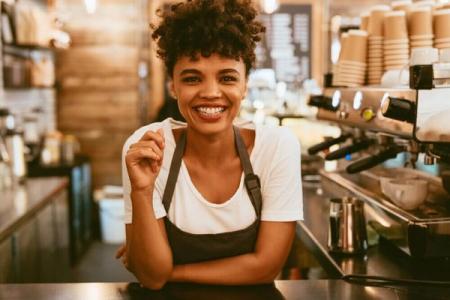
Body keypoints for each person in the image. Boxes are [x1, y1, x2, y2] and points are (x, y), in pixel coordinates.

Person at [116, 0, 303, 289]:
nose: (211, 93)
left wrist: (172, 273)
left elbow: (267, 266)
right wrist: (142, 191)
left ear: (244, 85)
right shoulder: (148, 149)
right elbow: (152, 279)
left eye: (227, 78)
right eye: (192, 78)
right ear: (173, 87)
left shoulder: (277, 146)